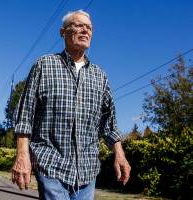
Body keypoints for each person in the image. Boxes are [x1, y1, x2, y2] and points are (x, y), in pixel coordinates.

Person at [12, 10, 131, 200]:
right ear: (63, 32)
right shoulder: (44, 65)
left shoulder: (100, 76)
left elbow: (109, 123)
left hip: (87, 171)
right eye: (78, 25)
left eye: (89, 28)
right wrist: (22, 155)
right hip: (51, 164)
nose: (85, 30)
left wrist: (120, 155)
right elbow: (25, 115)